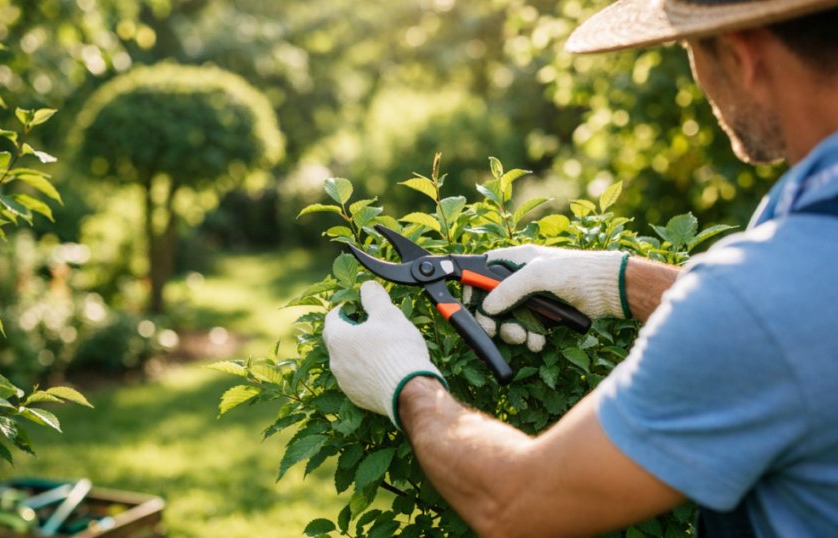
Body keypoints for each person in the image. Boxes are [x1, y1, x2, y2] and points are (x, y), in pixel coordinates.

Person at [321, 0, 838, 535]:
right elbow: (797, 326)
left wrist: (406, 384)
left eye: (689, 48)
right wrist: (622, 280)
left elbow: (516, 502)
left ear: (739, 53)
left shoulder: (757, 301)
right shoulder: (796, 262)